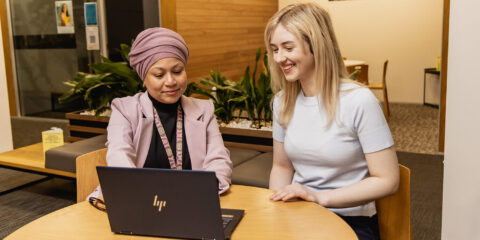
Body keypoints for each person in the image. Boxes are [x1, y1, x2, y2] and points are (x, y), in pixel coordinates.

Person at [264, 3, 399, 239]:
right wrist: (276, 209)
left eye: (288, 47)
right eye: (274, 49)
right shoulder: (282, 101)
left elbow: (387, 180)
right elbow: (282, 167)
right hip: (300, 213)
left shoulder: (359, 101)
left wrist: (319, 198)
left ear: (316, 45)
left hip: (351, 220)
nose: (279, 58)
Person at [88, 27, 232, 199]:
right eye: (159, 75)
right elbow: (119, 158)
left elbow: (219, 160)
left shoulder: (204, 110)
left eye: (177, 71)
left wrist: (203, 191)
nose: (170, 81)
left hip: (193, 201)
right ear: (144, 77)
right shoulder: (125, 110)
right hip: (140, 201)